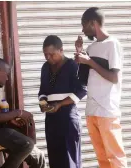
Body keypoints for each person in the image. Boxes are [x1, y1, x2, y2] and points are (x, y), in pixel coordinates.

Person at [74, 7, 128, 168]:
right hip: (92, 111)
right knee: (102, 158)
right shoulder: (91, 48)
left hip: (107, 110)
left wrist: (89, 61)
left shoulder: (113, 44)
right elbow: (83, 79)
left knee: (115, 157)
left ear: (93, 23)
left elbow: (113, 77)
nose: (83, 30)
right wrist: (80, 53)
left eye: (84, 25)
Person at [38, 35, 87, 168]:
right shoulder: (45, 68)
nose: (48, 57)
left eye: (51, 54)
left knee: (69, 161)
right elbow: (42, 91)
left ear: (61, 50)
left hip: (68, 119)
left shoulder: (72, 66)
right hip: (51, 120)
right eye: (45, 54)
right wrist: (43, 104)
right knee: (55, 159)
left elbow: (82, 90)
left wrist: (59, 104)